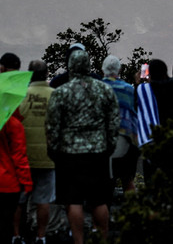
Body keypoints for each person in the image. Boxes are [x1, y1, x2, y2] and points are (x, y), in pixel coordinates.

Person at [45, 48, 119, 244]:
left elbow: (52, 126)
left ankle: (78, 241)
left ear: (70, 67)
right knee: (99, 200)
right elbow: (113, 122)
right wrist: (109, 146)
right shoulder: (104, 90)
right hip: (98, 152)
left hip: (69, 153)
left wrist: (54, 151)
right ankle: (102, 238)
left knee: (73, 201)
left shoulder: (61, 93)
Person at [15, 60, 54, 244]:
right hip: (47, 157)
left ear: (29, 74)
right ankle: (41, 236)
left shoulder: (21, 95)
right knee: (43, 200)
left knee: (20, 199)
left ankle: (16, 236)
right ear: (46, 74)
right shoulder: (54, 95)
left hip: (24, 157)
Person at [102, 55, 140, 194]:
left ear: (103, 69)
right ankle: (132, 207)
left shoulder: (98, 88)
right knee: (128, 180)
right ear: (119, 70)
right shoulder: (128, 89)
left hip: (103, 141)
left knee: (105, 182)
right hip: (126, 138)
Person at [0, 111, 31, 244]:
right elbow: (19, 156)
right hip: (7, 182)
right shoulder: (13, 123)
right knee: (5, 224)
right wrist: (26, 182)